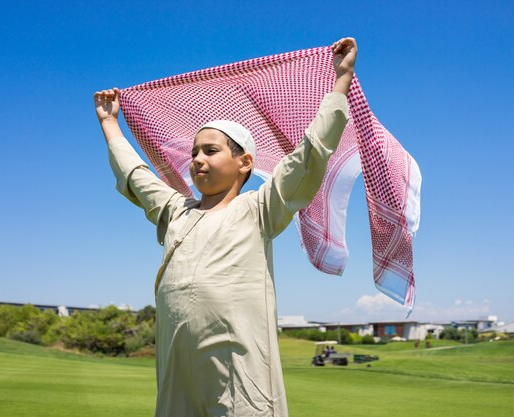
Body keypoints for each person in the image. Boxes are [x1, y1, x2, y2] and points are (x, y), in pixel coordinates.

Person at [94, 37, 357, 417]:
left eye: (211, 151)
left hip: (239, 382)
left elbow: (308, 155)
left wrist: (339, 83)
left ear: (245, 162)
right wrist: (109, 125)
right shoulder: (175, 211)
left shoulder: (260, 209)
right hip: (177, 378)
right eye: (194, 152)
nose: (197, 159)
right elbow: (135, 176)